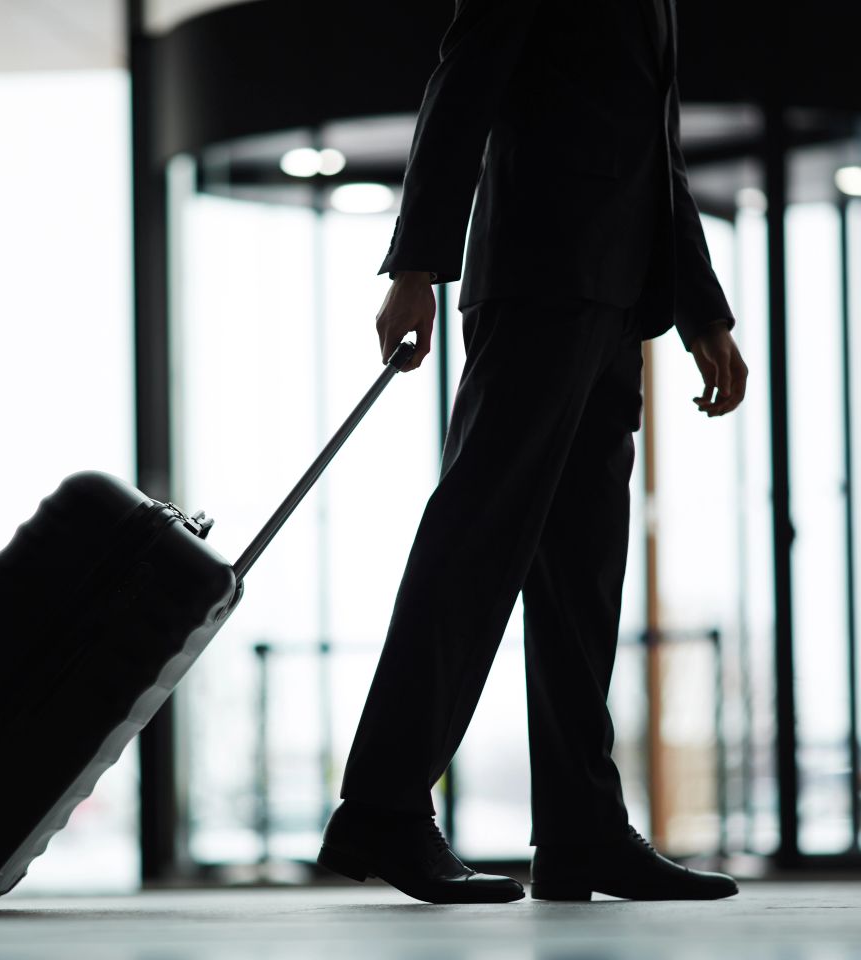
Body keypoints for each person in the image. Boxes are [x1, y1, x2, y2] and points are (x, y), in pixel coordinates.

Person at [317, 0, 750, 904]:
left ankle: (581, 832)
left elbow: (656, 153)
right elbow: (461, 86)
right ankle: (383, 809)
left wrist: (703, 313)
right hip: (537, 279)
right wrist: (415, 267)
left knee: (579, 576)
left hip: (616, 297)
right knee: (474, 545)